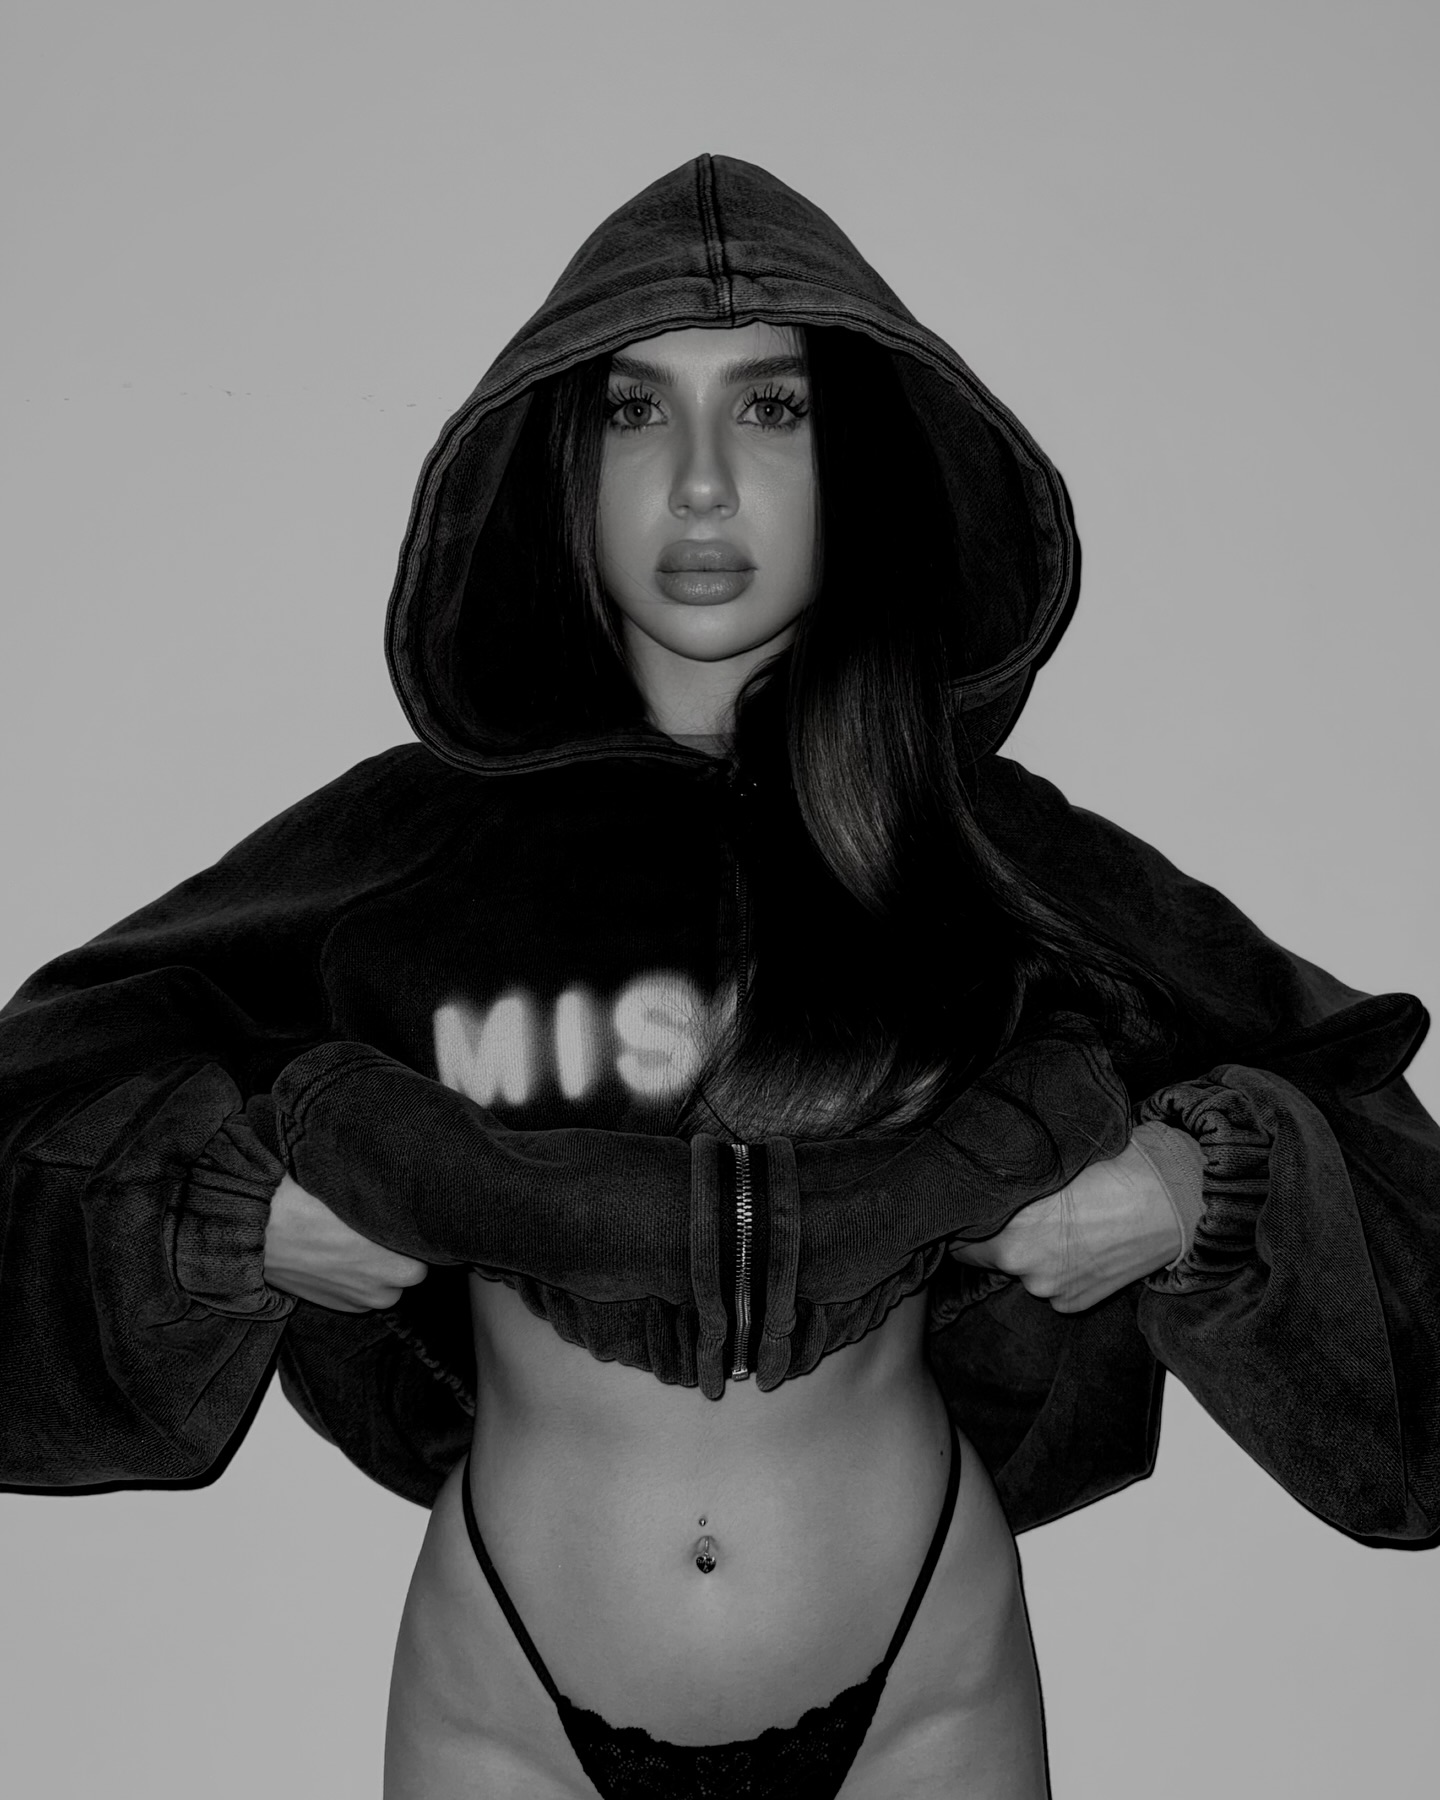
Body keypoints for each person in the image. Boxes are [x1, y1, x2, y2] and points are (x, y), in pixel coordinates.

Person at [1, 153, 1435, 1799]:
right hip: (504, 1697)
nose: (697, 486)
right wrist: (219, 1222)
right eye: (634, 411)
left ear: (858, 454)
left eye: (770, 409)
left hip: (928, 1681)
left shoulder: (980, 847)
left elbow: (1375, 1151)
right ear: (561, 457)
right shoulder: (409, 847)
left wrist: (1197, 1192)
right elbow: (37, 1099)